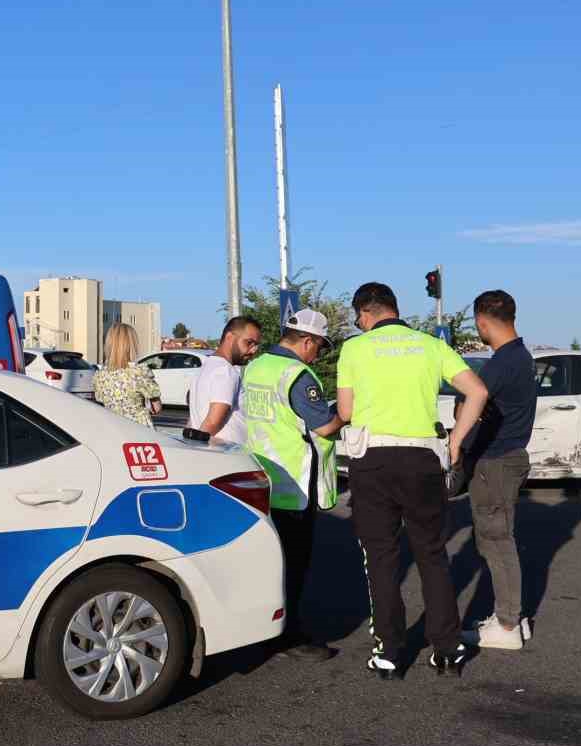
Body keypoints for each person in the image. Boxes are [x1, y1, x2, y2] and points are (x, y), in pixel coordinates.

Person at [336, 282, 488, 679]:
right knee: (432, 554)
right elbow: (477, 391)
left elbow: (347, 410)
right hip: (424, 458)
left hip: (373, 459)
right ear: (394, 307)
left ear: (365, 314)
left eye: (358, 319)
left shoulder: (355, 348)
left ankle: (389, 651)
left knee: (381, 558)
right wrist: (455, 440)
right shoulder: (429, 345)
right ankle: (448, 648)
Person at [240, 309, 343, 662]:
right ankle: (290, 637)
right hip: (294, 485)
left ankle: (262, 631)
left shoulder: (255, 367)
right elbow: (325, 427)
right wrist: (345, 413)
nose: (319, 355)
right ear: (307, 341)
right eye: (320, 348)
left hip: (260, 477)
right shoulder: (297, 374)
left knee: (268, 563)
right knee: (294, 566)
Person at [460, 289, 536, 651]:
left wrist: (456, 443)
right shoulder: (520, 356)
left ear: (482, 321)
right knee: (499, 539)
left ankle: (506, 626)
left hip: (496, 461)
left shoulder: (502, 362)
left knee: (495, 543)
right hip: (508, 457)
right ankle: (509, 618)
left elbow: (475, 401)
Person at [187, 316, 262, 445]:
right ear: (229, 337)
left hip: (213, 455)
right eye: (249, 342)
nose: (254, 350)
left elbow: (193, 420)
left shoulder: (205, 368)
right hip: (227, 456)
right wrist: (197, 450)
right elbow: (213, 422)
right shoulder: (225, 372)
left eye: (256, 345)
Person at [94, 322, 163, 427]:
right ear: (131, 345)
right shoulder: (139, 371)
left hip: (113, 429)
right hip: (138, 431)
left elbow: (100, 401)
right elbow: (156, 408)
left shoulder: (100, 376)